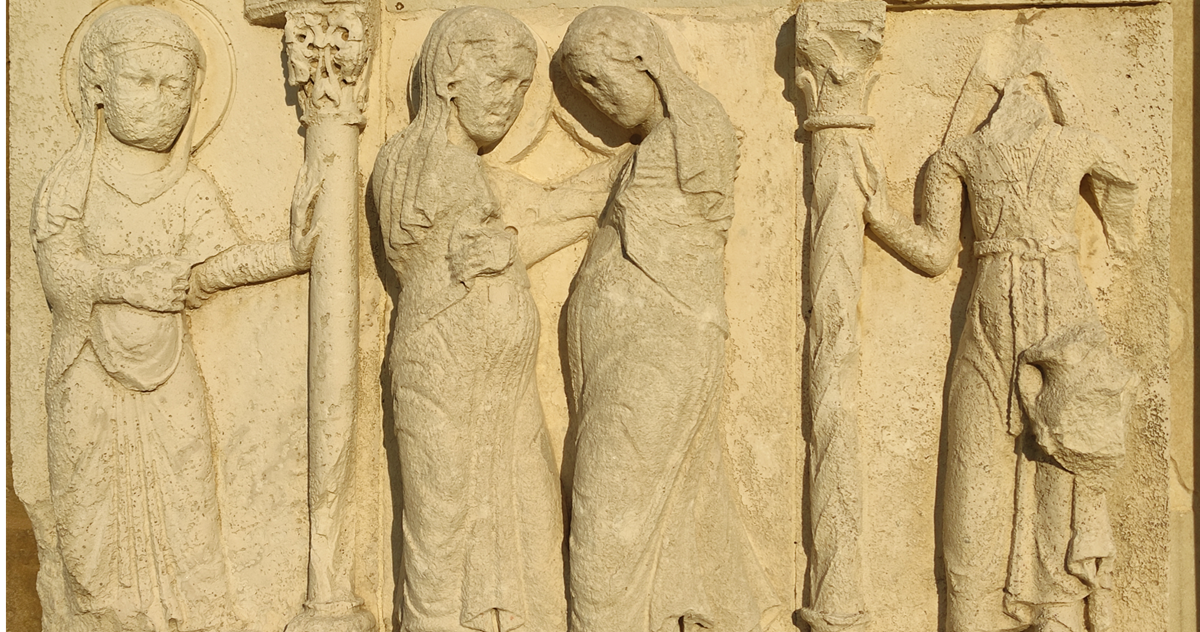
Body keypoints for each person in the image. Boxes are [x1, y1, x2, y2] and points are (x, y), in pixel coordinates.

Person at [32, 6, 319, 631]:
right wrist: (127, 280)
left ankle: (199, 615)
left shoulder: (191, 189)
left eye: (177, 87)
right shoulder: (70, 182)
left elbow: (213, 268)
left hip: (168, 370)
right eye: (143, 81)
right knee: (90, 505)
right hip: (89, 370)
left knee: (187, 490)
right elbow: (61, 275)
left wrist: (292, 254)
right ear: (99, 87)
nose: (162, 102)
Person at [862, 72, 1138, 632]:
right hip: (990, 327)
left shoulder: (1072, 144)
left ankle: (1057, 615)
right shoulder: (958, 155)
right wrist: (879, 217)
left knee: (1062, 472)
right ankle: (970, 619)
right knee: (972, 479)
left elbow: (1125, 191)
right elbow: (937, 253)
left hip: (1064, 329)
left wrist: (1128, 236)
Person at [370, 7, 594, 632]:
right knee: (441, 532)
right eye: (497, 80)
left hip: (502, 386)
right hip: (444, 375)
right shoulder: (413, 160)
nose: (510, 102)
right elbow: (456, 256)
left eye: (522, 87)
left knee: (530, 516)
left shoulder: (469, 169)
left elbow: (531, 221)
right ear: (448, 75)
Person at [557, 8, 779, 632]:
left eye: (600, 81)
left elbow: (705, 146)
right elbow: (567, 206)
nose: (595, 102)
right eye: (582, 91)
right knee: (671, 518)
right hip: (629, 361)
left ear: (644, 61)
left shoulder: (692, 126)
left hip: (657, 358)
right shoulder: (650, 149)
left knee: (605, 521)